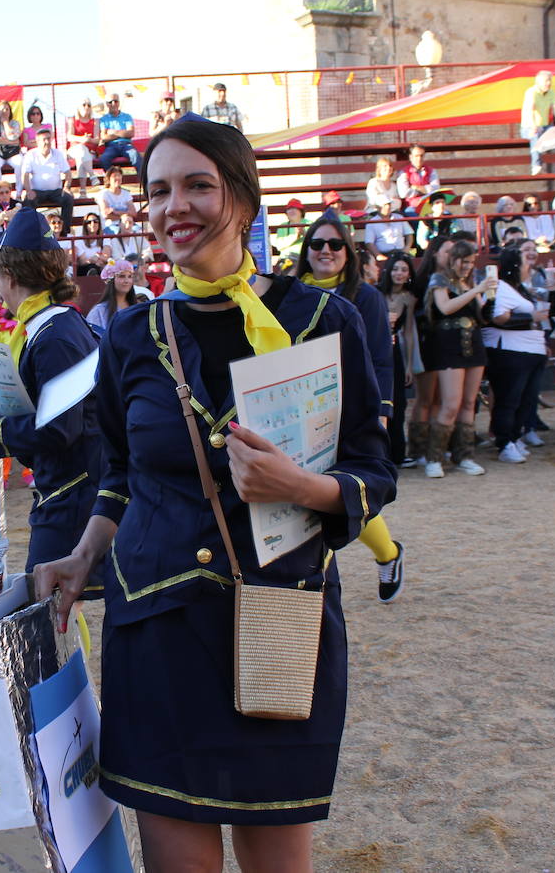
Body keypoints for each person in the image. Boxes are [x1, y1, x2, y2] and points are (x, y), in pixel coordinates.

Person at [36, 114, 394, 871]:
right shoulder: (132, 332)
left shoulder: (324, 319)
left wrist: (303, 486)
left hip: (276, 621)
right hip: (157, 633)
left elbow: (374, 471)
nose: (177, 207)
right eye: (160, 190)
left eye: (199, 185)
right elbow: (122, 476)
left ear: (243, 196)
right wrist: (82, 555)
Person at [0, 205, 102, 575]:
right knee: (59, 603)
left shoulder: (55, 334)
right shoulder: (51, 327)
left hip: (74, 493)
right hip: (67, 489)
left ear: (10, 276)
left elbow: (59, 429)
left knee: (51, 601)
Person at [296, 212, 404, 602]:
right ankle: (315, 576)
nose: (326, 251)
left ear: (348, 252)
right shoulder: (286, 291)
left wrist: (381, 412)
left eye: (335, 244)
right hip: (300, 408)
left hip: (348, 408)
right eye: (318, 244)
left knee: (348, 492)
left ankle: (388, 554)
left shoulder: (366, 297)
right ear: (306, 249)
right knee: (307, 496)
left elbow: (379, 359)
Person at [423, 239, 494, 478]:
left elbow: (480, 316)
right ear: (453, 259)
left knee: (468, 403)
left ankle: (465, 455)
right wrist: (477, 290)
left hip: (472, 343)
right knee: (450, 403)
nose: (467, 266)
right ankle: (434, 457)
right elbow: (445, 308)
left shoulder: (468, 282)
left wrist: (487, 301)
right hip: (449, 345)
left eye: (471, 262)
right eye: (464, 261)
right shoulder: (440, 279)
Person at [482, 242, 550, 464]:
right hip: (511, 352)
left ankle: (513, 436)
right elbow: (498, 317)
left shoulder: (521, 287)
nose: (531, 255)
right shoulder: (502, 286)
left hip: (530, 351)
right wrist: (532, 319)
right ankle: (504, 442)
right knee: (509, 398)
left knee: (526, 399)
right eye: (524, 252)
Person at [378, 253, 419, 468]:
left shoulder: (409, 298)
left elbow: (409, 332)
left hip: (395, 353)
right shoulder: (375, 293)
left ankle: (398, 454)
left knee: (400, 404)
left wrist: (410, 364)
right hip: (377, 350)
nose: (399, 274)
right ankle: (381, 454)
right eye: (396, 269)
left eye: (404, 270)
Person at [20, 127, 75, 225]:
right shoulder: (30, 155)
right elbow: (25, 175)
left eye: (49, 139)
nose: (47, 142)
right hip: (37, 191)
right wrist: (28, 191)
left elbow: (68, 172)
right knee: (28, 200)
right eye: (44, 139)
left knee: (68, 198)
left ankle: (65, 231)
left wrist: (66, 187)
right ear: (37, 142)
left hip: (56, 191)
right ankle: (32, 232)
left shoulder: (58, 153)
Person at [86, 259, 145, 333]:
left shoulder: (137, 306)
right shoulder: (99, 311)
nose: (127, 281)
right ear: (111, 280)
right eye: (122, 276)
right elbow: (93, 339)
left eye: (130, 276)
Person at [521, 69, 555, 175]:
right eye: (546, 81)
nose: (549, 83)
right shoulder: (531, 92)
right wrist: (534, 126)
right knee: (535, 135)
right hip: (528, 127)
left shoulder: (551, 93)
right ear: (538, 82)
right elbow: (531, 109)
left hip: (545, 126)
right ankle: (536, 164)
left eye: (550, 80)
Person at [65, 97, 101, 197]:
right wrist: (82, 139)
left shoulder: (95, 121)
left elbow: (97, 140)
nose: (86, 107)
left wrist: (88, 140)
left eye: (89, 105)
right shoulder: (72, 120)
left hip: (89, 152)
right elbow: (69, 136)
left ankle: (83, 191)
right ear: (78, 107)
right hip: (74, 150)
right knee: (81, 149)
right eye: (84, 104)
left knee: (82, 156)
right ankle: (92, 175)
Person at [97, 94, 140, 178]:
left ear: (119, 103)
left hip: (126, 145)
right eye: (110, 102)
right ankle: (114, 181)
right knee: (104, 159)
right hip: (111, 146)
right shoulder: (103, 119)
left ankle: (144, 182)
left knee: (135, 156)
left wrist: (114, 132)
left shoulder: (127, 117)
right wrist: (123, 134)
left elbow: (131, 133)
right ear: (106, 104)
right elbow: (104, 137)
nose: (113, 104)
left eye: (116, 101)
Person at [396, 144, 439, 215]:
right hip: (411, 206)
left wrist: (416, 187)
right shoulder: (403, 172)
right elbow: (403, 193)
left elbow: (435, 189)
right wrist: (425, 190)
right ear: (410, 157)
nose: (419, 159)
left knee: (447, 215)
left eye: (421, 156)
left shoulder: (431, 171)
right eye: (416, 156)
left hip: (429, 205)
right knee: (414, 215)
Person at [0, 99, 23, 184]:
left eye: (7, 109)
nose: (4, 111)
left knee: (20, 162)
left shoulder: (15, 123)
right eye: (2, 109)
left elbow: (13, 136)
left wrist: (5, 123)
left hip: (13, 153)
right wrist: (13, 142)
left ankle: (19, 192)